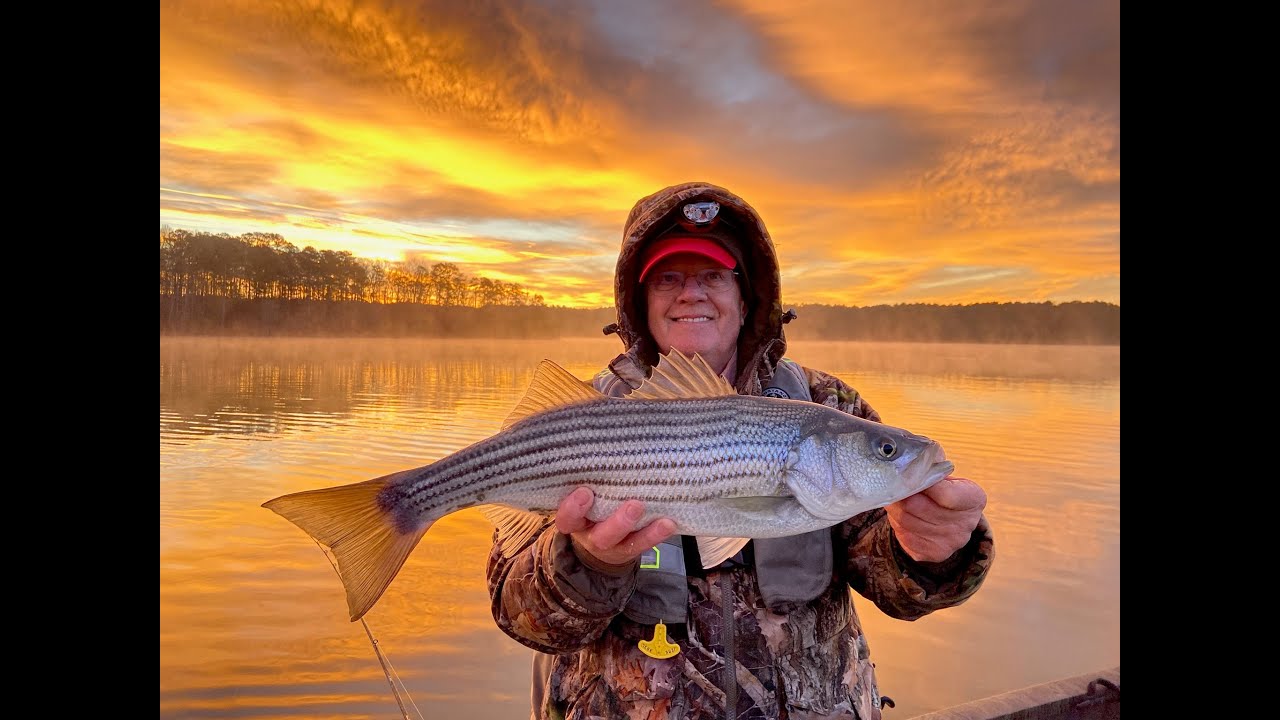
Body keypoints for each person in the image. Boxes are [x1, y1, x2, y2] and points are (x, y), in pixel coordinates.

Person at [486, 181, 994, 720]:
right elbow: (521, 617)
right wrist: (589, 561)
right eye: (667, 279)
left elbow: (900, 591)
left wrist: (934, 552)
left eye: (712, 276)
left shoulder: (827, 405)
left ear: (747, 297)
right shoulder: (581, 417)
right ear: (639, 302)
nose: (690, 294)